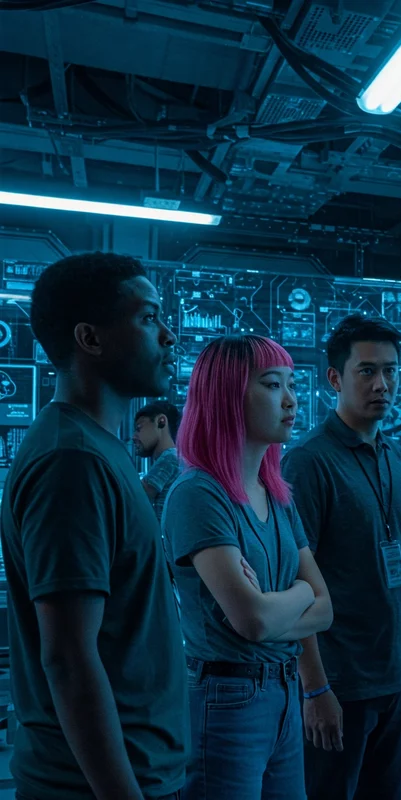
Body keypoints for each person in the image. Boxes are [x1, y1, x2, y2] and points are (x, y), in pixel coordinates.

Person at [0, 252, 187, 800]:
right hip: (98, 784)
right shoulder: (73, 461)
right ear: (90, 338)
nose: (170, 335)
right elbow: (69, 657)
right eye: (149, 317)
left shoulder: (100, 449)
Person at [161, 334, 333, 800]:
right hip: (226, 699)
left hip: (283, 691)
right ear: (228, 395)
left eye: (291, 384)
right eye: (273, 384)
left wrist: (283, 601)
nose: (291, 400)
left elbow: (325, 608)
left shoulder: (276, 493)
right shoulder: (198, 494)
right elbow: (253, 622)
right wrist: (299, 593)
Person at [282, 314, 401, 800]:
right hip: (339, 683)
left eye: (391, 371)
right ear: (335, 378)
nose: (383, 385)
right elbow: (295, 587)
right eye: (367, 371)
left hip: (396, 677)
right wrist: (315, 689)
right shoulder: (308, 462)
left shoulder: (397, 458)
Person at [133, 401, 181, 523]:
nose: (134, 437)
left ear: (161, 422)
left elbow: (138, 497)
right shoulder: (174, 457)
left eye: (139, 428)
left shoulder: (170, 457)